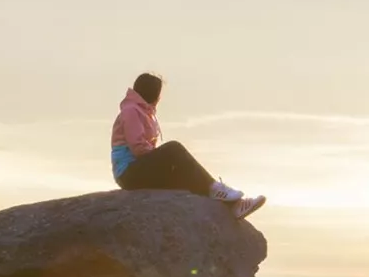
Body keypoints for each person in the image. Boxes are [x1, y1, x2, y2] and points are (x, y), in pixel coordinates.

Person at [111, 73, 266, 220]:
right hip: (128, 172)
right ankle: (216, 188)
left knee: (185, 176)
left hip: (138, 170)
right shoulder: (131, 111)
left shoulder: (144, 112)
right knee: (174, 148)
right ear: (153, 94)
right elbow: (138, 148)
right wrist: (163, 157)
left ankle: (234, 206)